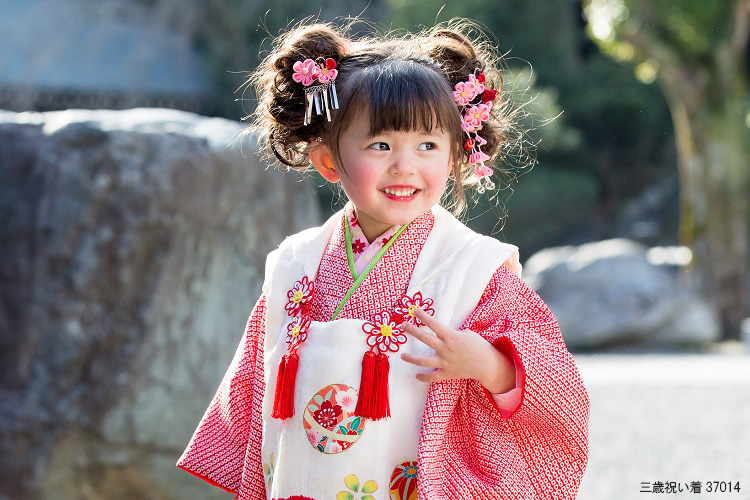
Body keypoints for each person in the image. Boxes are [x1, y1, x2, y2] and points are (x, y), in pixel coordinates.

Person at [177, 18, 589, 500]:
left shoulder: (475, 268)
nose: (405, 165)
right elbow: (252, 388)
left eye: (428, 145)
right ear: (328, 160)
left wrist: (489, 364)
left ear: (457, 153)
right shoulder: (295, 262)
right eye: (380, 144)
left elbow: (562, 390)